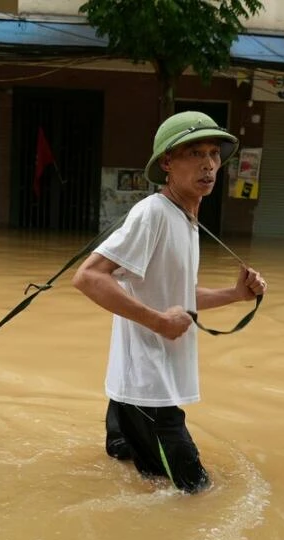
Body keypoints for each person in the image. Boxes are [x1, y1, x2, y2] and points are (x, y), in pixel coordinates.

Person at [72, 112, 267, 494]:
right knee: (195, 494)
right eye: (194, 153)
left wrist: (236, 294)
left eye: (213, 153)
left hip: (138, 384)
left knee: (141, 478)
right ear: (166, 164)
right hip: (149, 386)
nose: (209, 163)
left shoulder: (186, 219)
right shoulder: (154, 214)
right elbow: (89, 277)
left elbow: (177, 295)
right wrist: (159, 322)